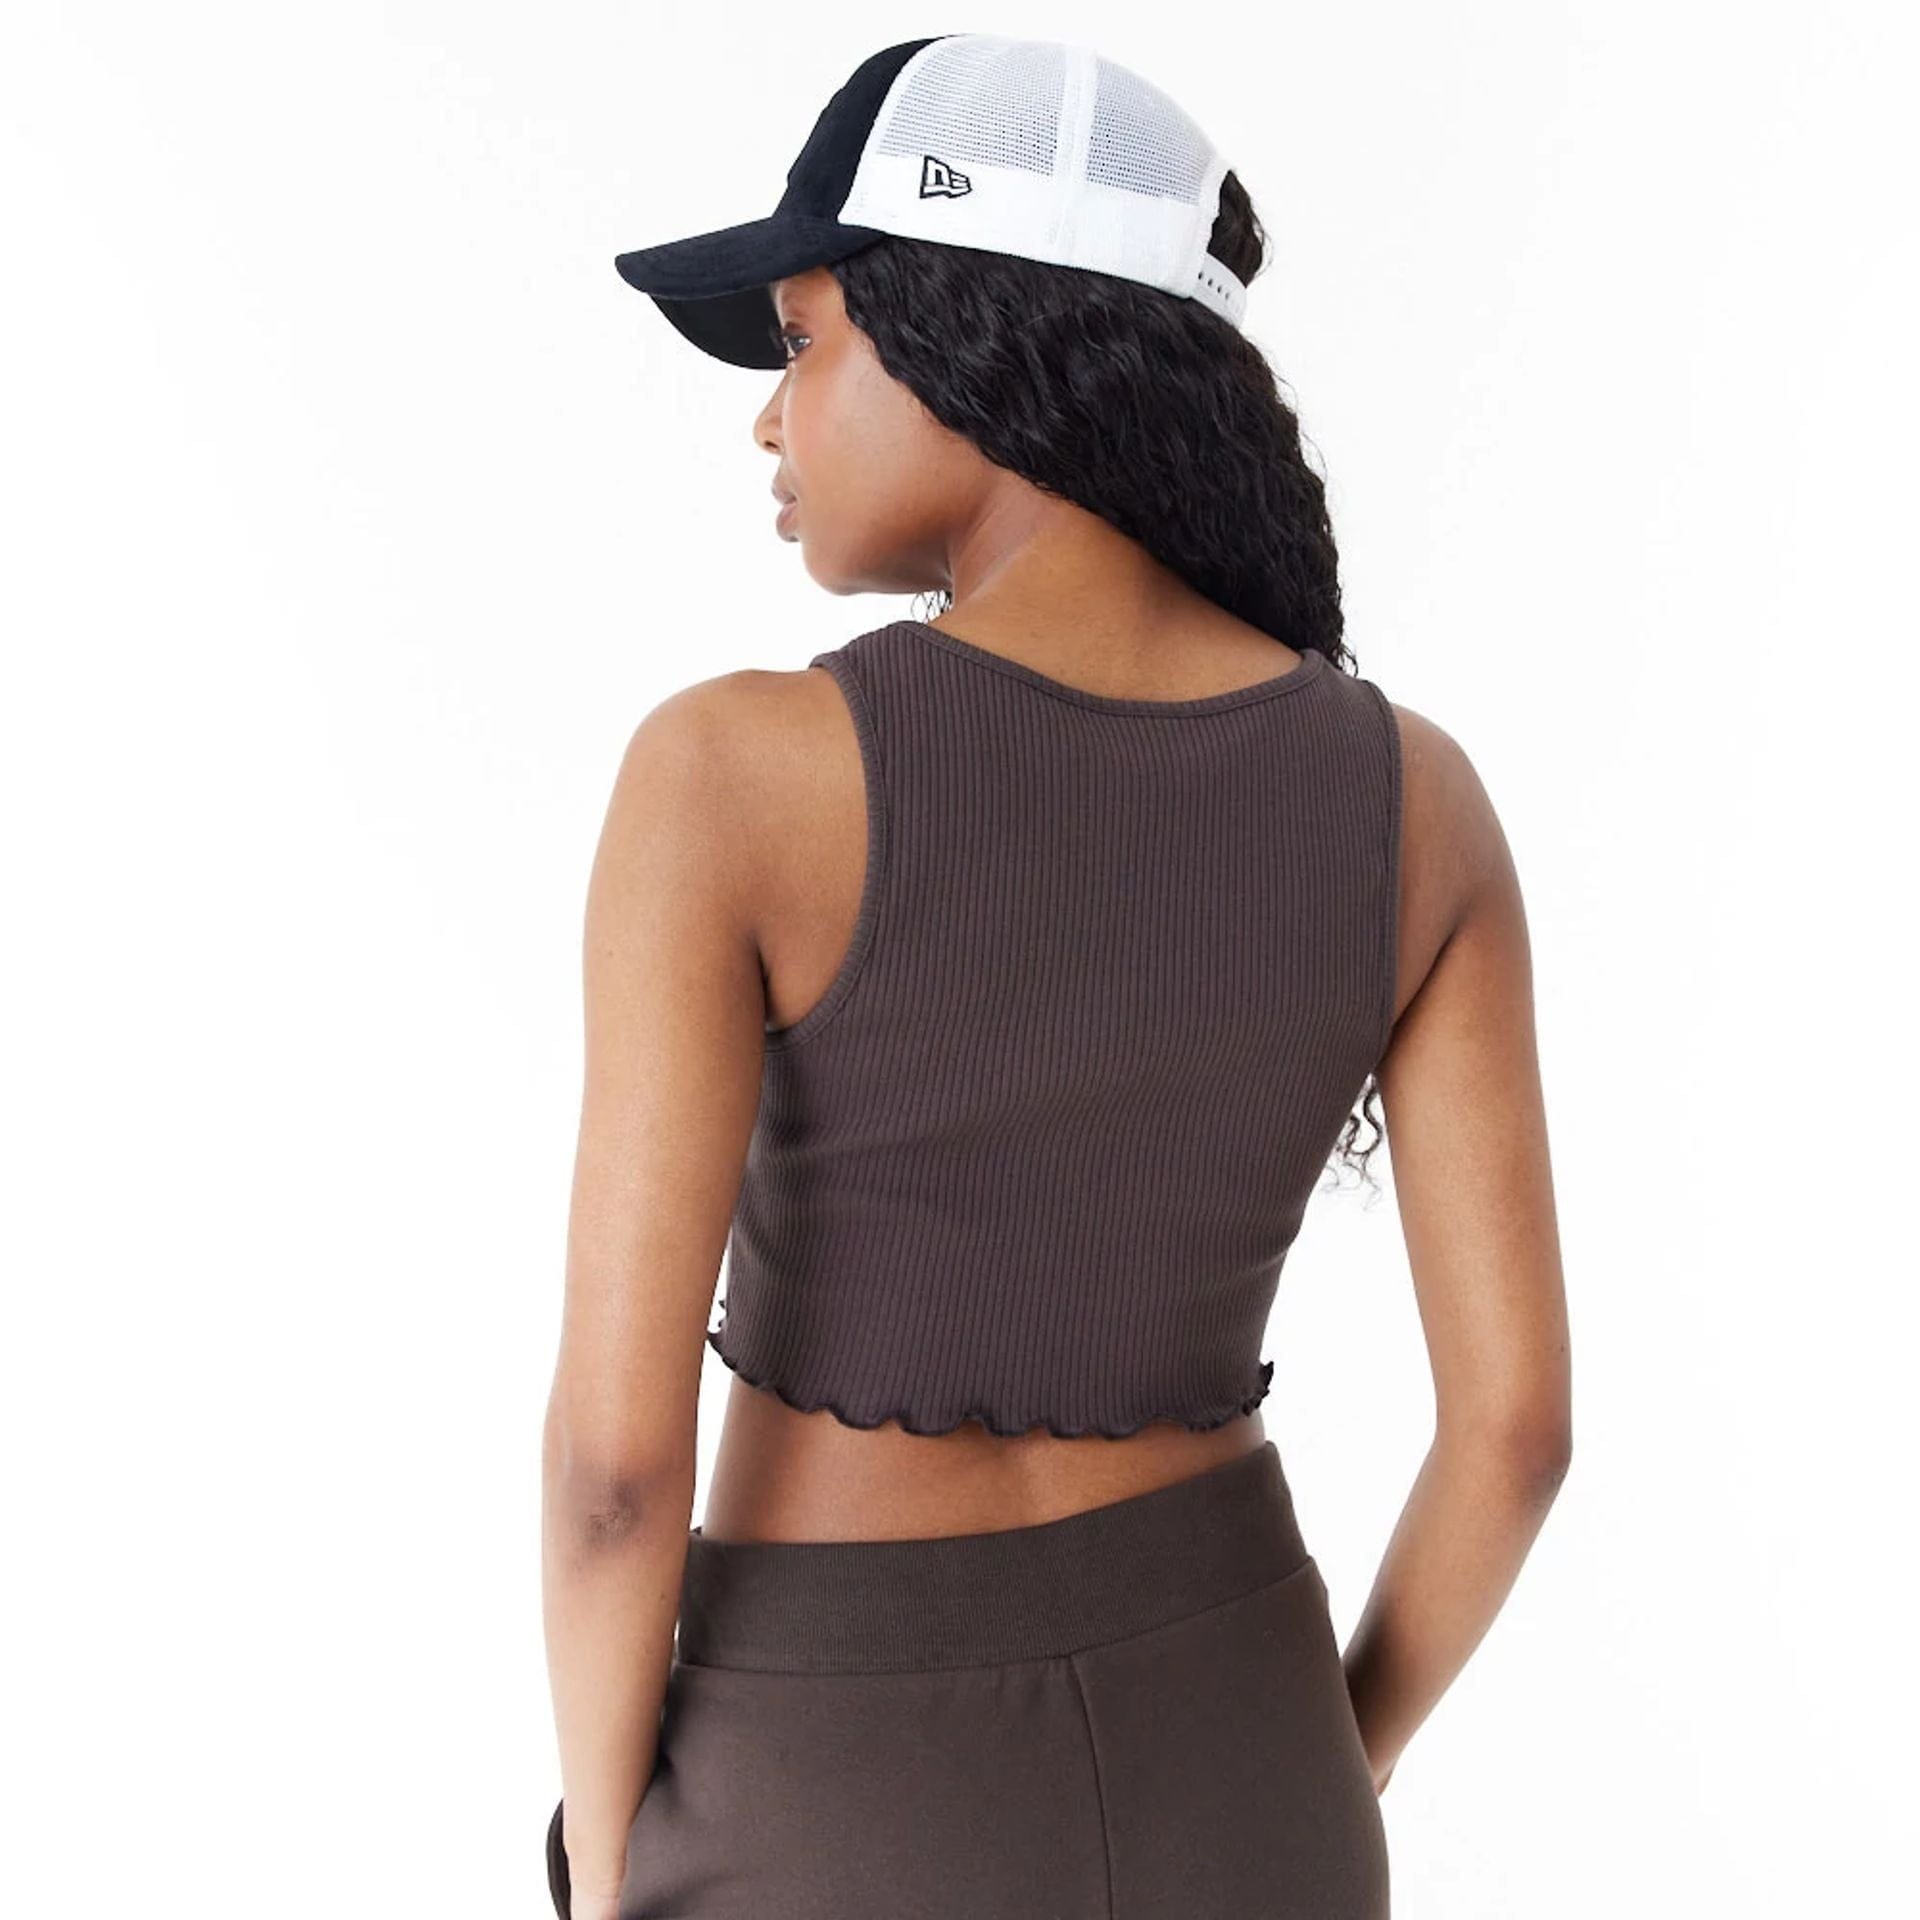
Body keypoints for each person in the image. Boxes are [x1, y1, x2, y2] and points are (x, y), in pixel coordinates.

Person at [542, 34, 1571, 1920]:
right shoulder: (1418, 802)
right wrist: (1320, 1762)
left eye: (802, 339)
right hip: (1252, 1762)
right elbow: (1515, 1432)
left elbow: (617, 1471)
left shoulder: (729, 777)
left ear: (972, 336)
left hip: (828, 1788)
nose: (768, 421)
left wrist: (611, 1866)